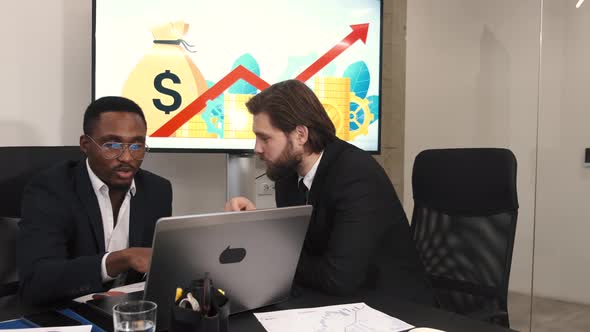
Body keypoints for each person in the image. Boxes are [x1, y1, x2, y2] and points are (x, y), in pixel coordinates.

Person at [225, 80, 433, 305]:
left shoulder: (355, 173)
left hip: (394, 307)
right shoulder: (286, 175)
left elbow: (337, 278)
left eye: (265, 138)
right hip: (335, 303)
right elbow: (295, 249)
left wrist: (275, 253)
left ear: (300, 135)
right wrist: (255, 224)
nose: (257, 148)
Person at [17, 96, 173, 305]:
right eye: (111, 145)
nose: (127, 157)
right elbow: (35, 282)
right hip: (68, 314)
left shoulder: (157, 190)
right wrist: (118, 259)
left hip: (131, 314)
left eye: (137, 146)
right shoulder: (50, 190)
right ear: (85, 144)